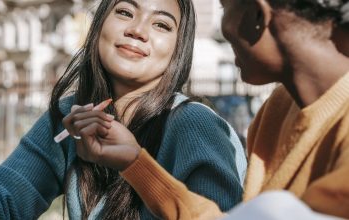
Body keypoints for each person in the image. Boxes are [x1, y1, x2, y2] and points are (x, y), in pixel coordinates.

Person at [0, 0, 247, 219]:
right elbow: (9, 192)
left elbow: (218, 216)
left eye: (161, 24)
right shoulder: (70, 116)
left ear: (178, 50)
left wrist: (137, 163)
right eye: (124, 11)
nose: (138, 30)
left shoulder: (193, 124)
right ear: (98, 28)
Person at [69, 0, 349, 219]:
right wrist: (134, 163)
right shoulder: (278, 109)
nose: (222, 28)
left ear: (256, 16)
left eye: (224, 7)